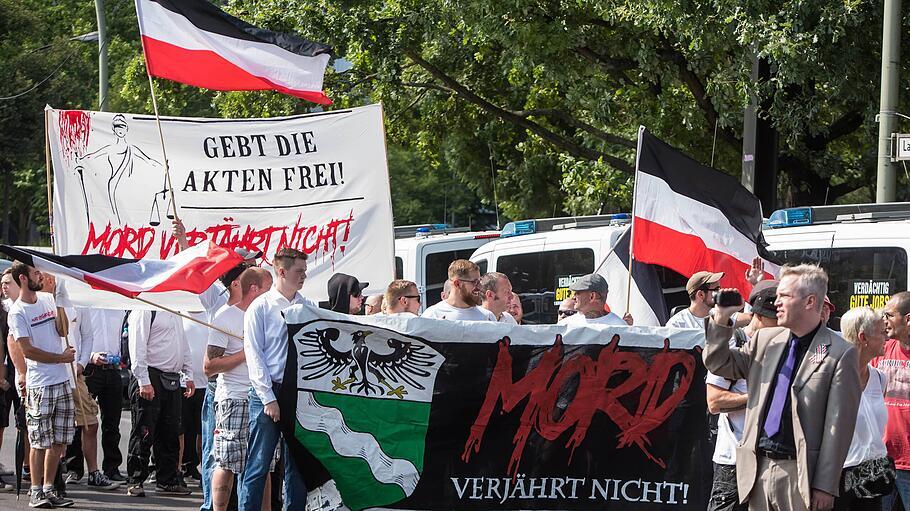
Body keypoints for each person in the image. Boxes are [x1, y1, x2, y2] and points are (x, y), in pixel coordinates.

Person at [704, 264, 861, 511]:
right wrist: (722, 318)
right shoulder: (766, 340)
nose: (776, 302)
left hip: (800, 475)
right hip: (758, 469)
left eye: (784, 296)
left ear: (810, 301)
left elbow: (838, 427)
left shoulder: (840, 353)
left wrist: (825, 485)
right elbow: (719, 362)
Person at [241, 247, 316, 511]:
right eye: (299, 271)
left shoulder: (308, 307)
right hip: (268, 391)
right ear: (281, 271)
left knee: (296, 466)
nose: (304, 276)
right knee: (258, 464)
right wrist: (268, 398)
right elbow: (254, 355)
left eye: (305, 271)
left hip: (298, 393)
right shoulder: (259, 308)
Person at [8, 262, 76, 508]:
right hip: (40, 384)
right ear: (24, 278)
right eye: (36, 273)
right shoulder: (18, 312)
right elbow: (28, 350)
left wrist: (58, 300)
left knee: (59, 440)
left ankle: (49, 488)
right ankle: (35, 490)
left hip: (61, 380)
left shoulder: (47, 300)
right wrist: (60, 358)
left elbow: (62, 330)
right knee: (39, 441)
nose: (41, 276)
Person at [706, 280, 778, 511]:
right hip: (734, 459)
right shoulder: (734, 344)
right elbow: (714, 401)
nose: (780, 326)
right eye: (774, 319)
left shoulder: (782, 344)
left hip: (771, 458)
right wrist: (759, 398)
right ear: (757, 315)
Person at [206, 268, 273, 511]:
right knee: (227, 461)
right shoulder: (225, 316)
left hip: (263, 398)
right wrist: (247, 352)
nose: (271, 293)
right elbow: (210, 367)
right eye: (268, 287)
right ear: (253, 288)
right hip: (234, 398)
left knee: (263, 464)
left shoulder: (268, 315)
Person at [126, 306, 196, 497]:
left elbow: (182, 343)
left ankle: (167, 480)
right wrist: (143, 380)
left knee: (170, 431)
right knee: (144, 430)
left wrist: (188, 373)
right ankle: (136, 480)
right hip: (150, 375)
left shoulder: (174, 308)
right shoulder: (145, 308)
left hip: (171, 378)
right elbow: (137, 345)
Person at [836, 307, 888, 511]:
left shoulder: (880, 378)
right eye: (881, 332)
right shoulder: (832, 378)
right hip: (837, 477)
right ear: (863, 337)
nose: (887, 336)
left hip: (872, 475)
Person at [78, 308, 127, 483]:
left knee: (112, 423)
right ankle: (74, 469)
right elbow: (78, 337)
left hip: (113, 369)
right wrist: (90, 356)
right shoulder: (86, 306)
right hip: (89, 368)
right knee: (82, 421)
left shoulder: (117, 306)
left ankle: (112, 468)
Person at [874, 291, 910, 510]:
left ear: (908, 319)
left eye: (889, 315)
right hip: (882, 460)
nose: (884, 320)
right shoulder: (882, 349)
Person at [422, 260, 496, 321]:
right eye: (475, 282)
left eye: (480, 281)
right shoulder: (433, 315)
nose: (479, 286)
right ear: (457, 284)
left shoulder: (487, 317)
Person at [558, 273, 632, 326]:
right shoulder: (566, 325)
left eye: (577, 293)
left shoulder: (619, 326)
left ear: (592, 296)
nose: (573, 297)